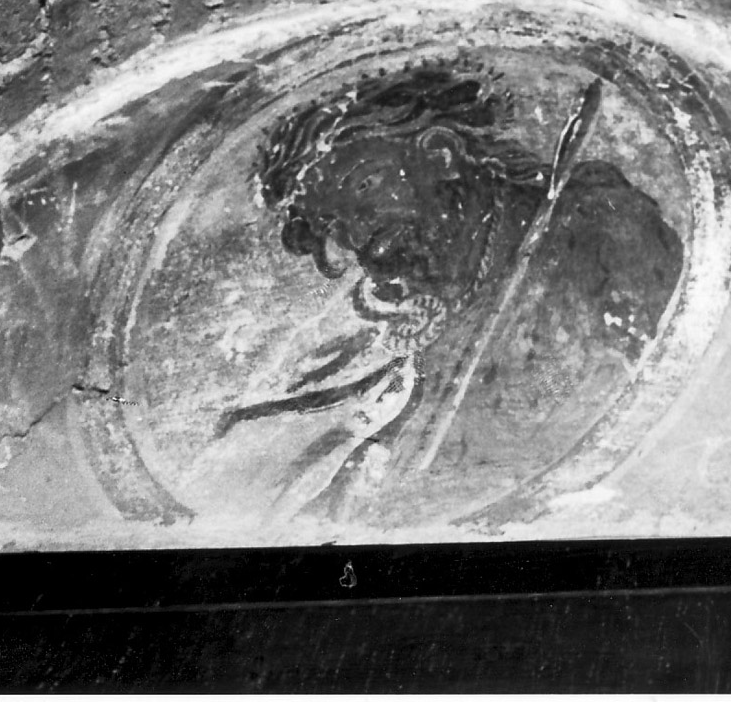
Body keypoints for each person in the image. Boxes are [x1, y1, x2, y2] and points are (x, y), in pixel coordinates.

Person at [221, 61, 684, 523]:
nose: (361, 238)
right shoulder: (424, 349)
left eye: (365, 185)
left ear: (440, 154)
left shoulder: (595, 224)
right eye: (335, 225)